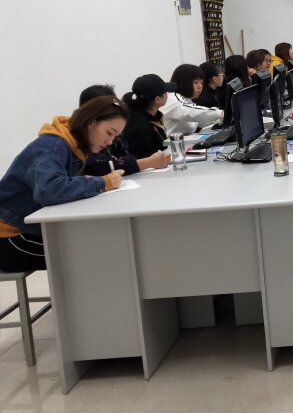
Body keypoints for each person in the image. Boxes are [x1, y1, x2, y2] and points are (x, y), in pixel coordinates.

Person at [0, 97, 130, 272]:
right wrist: (102, 183)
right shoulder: (53, 145)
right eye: (109, 133)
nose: (110, 142)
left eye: (115, 136)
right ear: (91, 122)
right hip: (10, 236)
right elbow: (47, 190)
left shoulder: (72, 145)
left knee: (98, 244)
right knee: (92, 252)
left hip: (27, 230)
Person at [78, 85, 168, 174]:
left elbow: (127, 157)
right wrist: (147, 162)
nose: (109, 142)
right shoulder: (77, 144)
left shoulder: (116, 134)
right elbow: (98, 167)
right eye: (109, 133)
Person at [162, 64, 223, 135]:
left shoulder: (188, 100)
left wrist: (220, 119)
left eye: (201, 82)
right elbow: (189, 112)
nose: (200, 86)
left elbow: (200, 120)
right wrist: (219, 113)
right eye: (195, 82)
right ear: (183, 82)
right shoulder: (171, 98)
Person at [122, 74, 172, 159]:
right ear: (157, 99)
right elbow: (146, 159)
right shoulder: (140, 127)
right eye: (166, 93)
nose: (168, 94)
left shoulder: (153, 117)